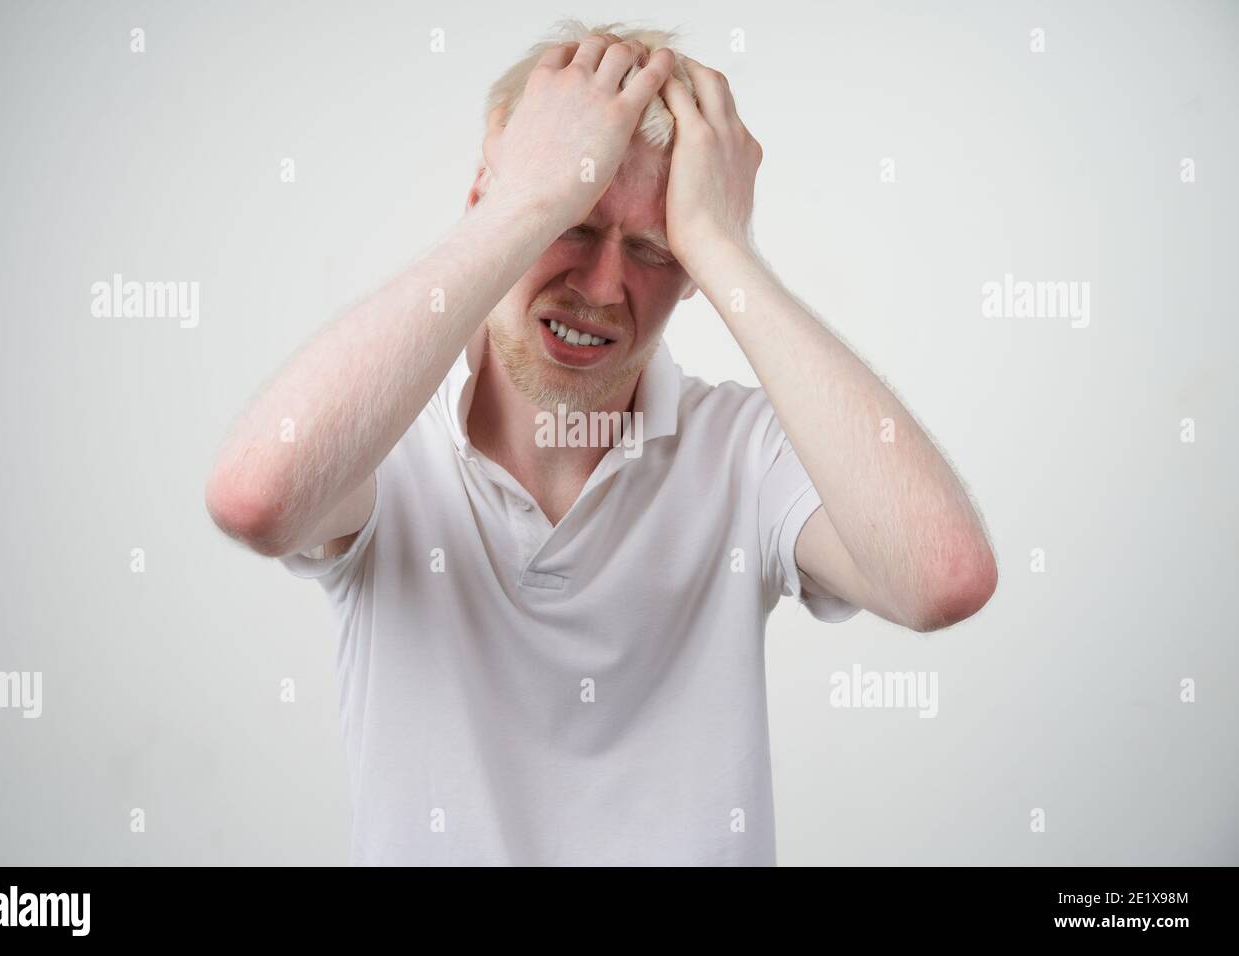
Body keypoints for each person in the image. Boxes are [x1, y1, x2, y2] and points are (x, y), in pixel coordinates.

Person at [204, 20, 997, 865]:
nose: (605, 287)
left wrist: (725, 248)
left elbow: (942, 577)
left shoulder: (739, 451)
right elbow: (256, 496)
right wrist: (525, 197)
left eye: (654, 249)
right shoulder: (382, 444)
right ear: (490, 206)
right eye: (574, 224)